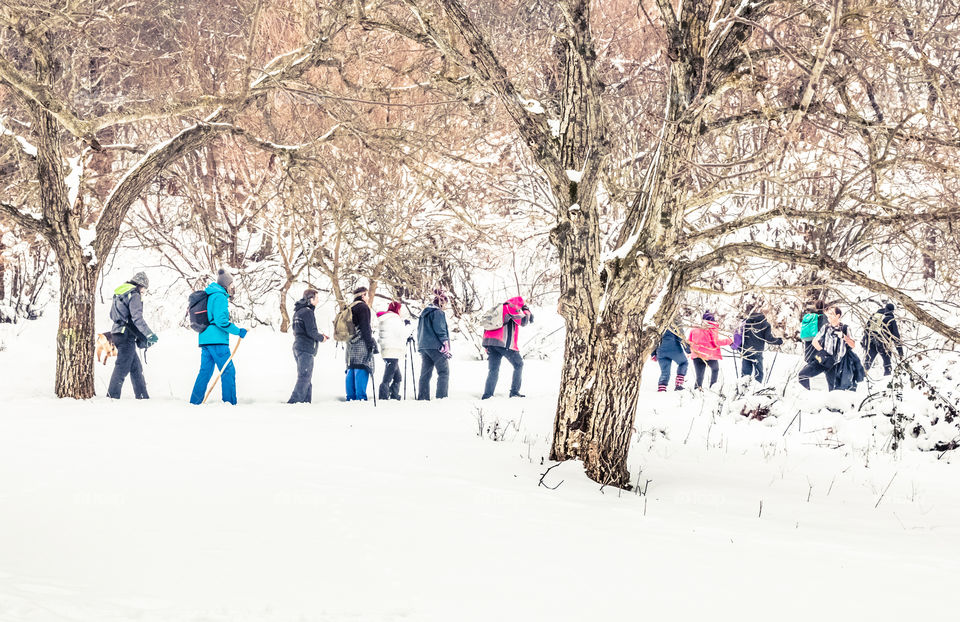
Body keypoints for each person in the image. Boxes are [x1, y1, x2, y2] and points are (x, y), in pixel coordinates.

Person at [189, 269, 247, 405]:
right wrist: (238, 331)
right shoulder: (220, 296)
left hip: (205, 339)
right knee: (228, 370)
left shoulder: (210, 294)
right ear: (226, 284)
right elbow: (221, 321)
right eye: (231, 284)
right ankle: (229, 403)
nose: (233, 287)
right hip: (217, 341)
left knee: (205, 372)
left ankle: (195, 402)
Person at [107, 271, 158, 399]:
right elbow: (137, 319)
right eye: (144, 289)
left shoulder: (120, 293)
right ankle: (112, 397)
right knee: (122, 367)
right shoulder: (134, 295)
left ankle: (142, 396)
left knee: (135, 367)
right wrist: (149, 335)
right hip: (126, 335)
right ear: (140, 285)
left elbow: (112, 315)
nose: (144, 292)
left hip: (116, 332)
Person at [481, 296, 534, 399]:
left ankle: (487, 395)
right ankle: (514, 392)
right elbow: (523, 321)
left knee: (493, 369)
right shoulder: (511, 307)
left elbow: (487, 326)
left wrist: (486, 345)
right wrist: (527, 311)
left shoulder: (498, 309)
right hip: (503, 343)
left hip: (490, 343)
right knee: (518, 364)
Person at [798, 305, 856, 390]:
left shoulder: (845, 328)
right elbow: (815, 341)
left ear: (838, 316)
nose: (829, 316)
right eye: (828, 313)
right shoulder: (826, 327)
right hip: (824, 360)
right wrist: (823, 352)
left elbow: (853, 345)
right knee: (802, 375)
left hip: (836, 364)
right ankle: (809, 395)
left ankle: (831, 401)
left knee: (834, 389)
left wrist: (843, 336)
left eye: (832, 314)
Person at [288, 289, 328, 403]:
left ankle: (306, 402)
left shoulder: (298, 311)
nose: (318, 300)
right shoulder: (307, 312)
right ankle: (294, 402)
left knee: (306, 376)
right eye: (317, 298)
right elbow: (311, 331)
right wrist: (322, 338)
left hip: (298, 345)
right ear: (311, 299)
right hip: (305, 347)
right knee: (304, 377)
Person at [417, 289, 451, 400]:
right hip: (436, 346)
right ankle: (441, 397)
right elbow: (440, 329)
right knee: (444, 372)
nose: (445, 306)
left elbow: (419, 330)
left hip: (424, 346)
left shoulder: (424, 313)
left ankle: (423, 397)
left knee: (425, 374)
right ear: (441, 302)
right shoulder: (438, 313)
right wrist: (445, 343)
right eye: (445, 303)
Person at [345, 286, 377, 401]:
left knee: (351, 368)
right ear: (363, 295)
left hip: (350, 343)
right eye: (367, 295)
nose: (368, 297)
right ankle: (360, 398)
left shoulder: (350, 307)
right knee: (361, 367)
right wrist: (370, 343)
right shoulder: (363, 307)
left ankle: (350, 397)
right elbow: (365, 327)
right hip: (360, 342)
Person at [739, 306, 783, 382]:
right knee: (758, 372)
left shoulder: (746, 323)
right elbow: (768, 339)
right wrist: (778, 341)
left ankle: (744, 389)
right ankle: (756, 388)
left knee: (745, 373)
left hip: (746, 350)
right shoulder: (765, 324)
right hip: (757, 351)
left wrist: (739, 347)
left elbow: (739, 335)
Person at [687, 311, 731, 389]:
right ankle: (713, 387)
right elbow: (715, 342)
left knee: (699, 376)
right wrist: (729, 341)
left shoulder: (694, 329)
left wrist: (690, 351)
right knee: (715, 369)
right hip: (710, 355)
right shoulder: (712, 329)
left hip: (697, 355)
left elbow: (688, 341)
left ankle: (697, 390)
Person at [377, 300, 409, 401]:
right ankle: (384, 396)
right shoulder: (394, 319)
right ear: (397, 309)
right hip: (392, 350)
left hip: (388, 349)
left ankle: (394, 394)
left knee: (397, 376)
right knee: (388, 376)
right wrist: (407, 326)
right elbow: (402, 334)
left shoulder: (386, 318)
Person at [862, 302, 903, 376]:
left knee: (867, 362)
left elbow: (866, 329)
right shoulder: (890, 319)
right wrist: (900, 351)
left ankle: (862, 377)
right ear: (892, 311)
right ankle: (887, 377)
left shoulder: (876, 315)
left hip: (871, 342)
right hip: (883, 343)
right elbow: (895, 336)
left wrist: (864, 341)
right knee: (887, 364)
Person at [653, 327, 688, 391]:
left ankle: (662, 388)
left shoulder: (658, 324)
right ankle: (679, 384)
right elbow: (681, 337)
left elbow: (653, 340)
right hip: (674, 349)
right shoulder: (676, 322)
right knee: (683, 363)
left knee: (665, 371)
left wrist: (653, 353)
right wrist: (688, 349)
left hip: (661, 351)